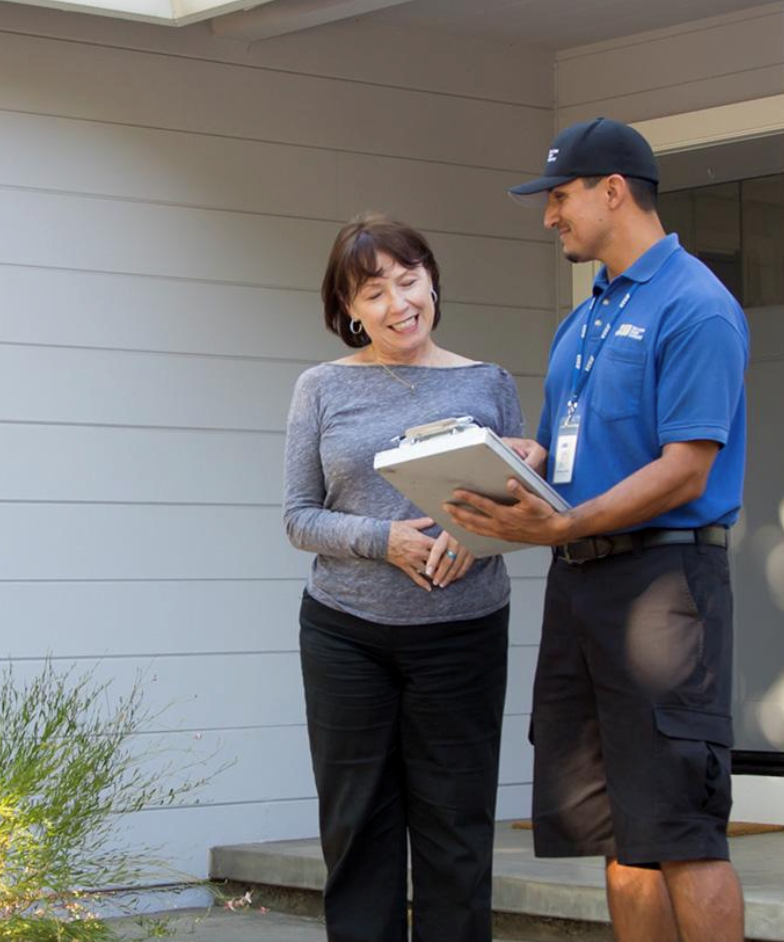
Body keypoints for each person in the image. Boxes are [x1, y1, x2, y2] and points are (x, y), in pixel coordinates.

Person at [446, 117, 749, 942]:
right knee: (619, 831)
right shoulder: (581, 322)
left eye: (561, 196)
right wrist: (519, 458)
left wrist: (565, 520)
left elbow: (687, 467)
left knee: (683, 830)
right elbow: (580, 454)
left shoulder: (696, 305)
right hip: (579, 584)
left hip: (664, 591)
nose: (550, 215)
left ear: (613, 190)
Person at [283, 212, 534, 942]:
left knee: (456, 831)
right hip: (345, 635)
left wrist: (475, 536)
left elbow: (525, 506)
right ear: (349, 311)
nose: (398, 304)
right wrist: (381, 540)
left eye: (408, 280)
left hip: (464, 633)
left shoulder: (488, 383)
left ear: (431, 281)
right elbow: (299, 517)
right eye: (373, 292)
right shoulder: (321, 389)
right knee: (357, 827)